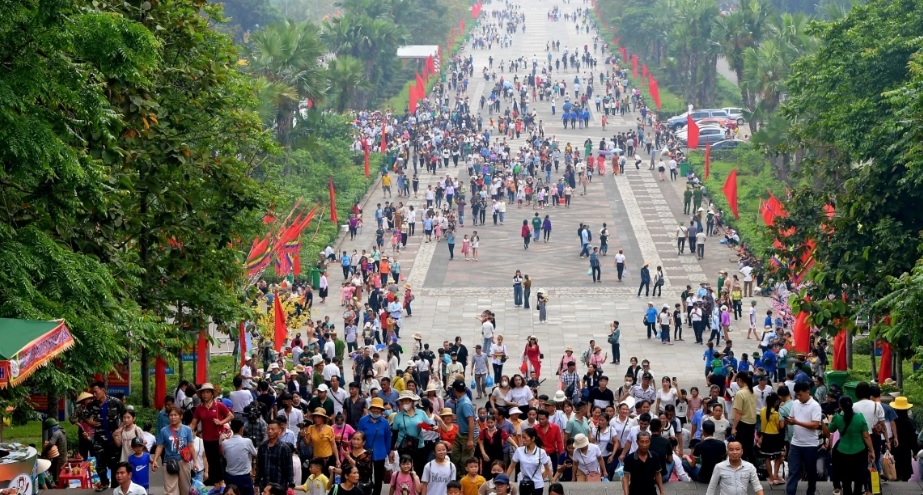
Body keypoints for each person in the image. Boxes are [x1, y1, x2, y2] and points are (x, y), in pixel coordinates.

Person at [189, 383, 234, 489]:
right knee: (211, 461)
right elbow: (193, 424)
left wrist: (221, 422)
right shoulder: (199, 408)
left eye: (207, 392)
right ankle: (216, 485)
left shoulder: (219, 405)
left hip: (218, 439)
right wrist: (183, 432)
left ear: (212, 394)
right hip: (206, 439)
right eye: (203, 392)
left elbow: (230, 416)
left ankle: (222, 484)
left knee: (218, 461)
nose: (205, 394)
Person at [827, 396, 874, 495]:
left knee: (846, 479)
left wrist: (830, 421)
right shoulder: (860, 417)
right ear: (852, 405)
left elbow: (830, 430)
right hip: (860, 451)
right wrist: (871, 450)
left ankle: (842, 489)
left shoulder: (837, 418)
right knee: (859, 478)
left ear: (840, 406)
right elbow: (866, 436)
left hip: (842, 451)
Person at [784, 382, 822, 495]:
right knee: (793, 471)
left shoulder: (815, 406)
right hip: (795, 443)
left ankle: (811, 491)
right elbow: (792, 418)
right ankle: (790, 492)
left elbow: (815, 424)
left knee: (811, 472)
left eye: (800, 394)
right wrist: (789, 421)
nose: (798, 397)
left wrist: (797, 422)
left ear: (807, 391)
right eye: (797, 395)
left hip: (810, 445)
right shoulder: (795, 403)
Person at [152, 406, 194, 495]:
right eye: (171, 415)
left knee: (185, 489)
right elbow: (160, 446)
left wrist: (196, 462)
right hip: (169, 461)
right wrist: (155, 460)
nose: (173, 417)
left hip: (183, 461)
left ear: (181, 416)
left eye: (175, 415)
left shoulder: (187, 429)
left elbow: (191, 446)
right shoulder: (164, 431)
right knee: (170, 490)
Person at [357, 398, 392, 495]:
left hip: (380, 454)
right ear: (370, 408)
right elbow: (358, 436)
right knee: (365, 477)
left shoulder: (385, 422)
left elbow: (388, 438)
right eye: (374, 408)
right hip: (365, 454)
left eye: (378, 408)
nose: (376, 410)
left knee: (378, 478)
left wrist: (388, 452)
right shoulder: (363, 420)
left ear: (381, 410)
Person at [507, 428, 552, 495]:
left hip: (537, 486)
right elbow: (511, 466)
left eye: (525, 437)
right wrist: (505, 480)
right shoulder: (519, 450)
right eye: (522, 437)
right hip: (524, 484)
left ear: (533, 438)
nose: (523, 440)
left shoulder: (541, 452)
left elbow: (547, 469)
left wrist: (551, 482)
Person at [255, 420, 295, 492]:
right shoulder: (262, 447)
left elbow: (289, 468)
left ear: (279, 431)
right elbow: (259, 466)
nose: (270, 431)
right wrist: (256, 483)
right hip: (265, 485)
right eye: (268, 429)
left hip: (280, 485)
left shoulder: (284, 448)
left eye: (273, 429)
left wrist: (290, 485)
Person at [224, 419, 258, 495]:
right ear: (242, 429)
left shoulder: (225, 443)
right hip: (244, 478)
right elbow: (255, 454)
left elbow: (224, 455)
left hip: (230, 477)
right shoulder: (247, 441)